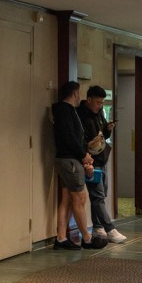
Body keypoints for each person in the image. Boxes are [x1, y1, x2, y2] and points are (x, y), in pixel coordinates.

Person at [52, 81, 108, 251]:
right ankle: (87, 238)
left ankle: (61, 238)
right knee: (80, 196)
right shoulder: (66, 111)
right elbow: (71, 138)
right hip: (70, 160)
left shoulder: (65, 111)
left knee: (67, 198)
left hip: (67, 158)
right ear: (75, 94)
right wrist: (84, 156)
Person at [77, 85, 126, 243]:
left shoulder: (98, 114)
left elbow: (102, 134)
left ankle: (97, 227)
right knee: (97, 195)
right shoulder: (81, 115)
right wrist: (86, 160)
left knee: (101, 194)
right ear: (89, 99)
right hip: (90, 161)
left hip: (102, 158)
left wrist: (108, 129)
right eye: (97, 102)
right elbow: (81, 140)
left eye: (102, 103)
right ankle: (109, 228)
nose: (100, 106)